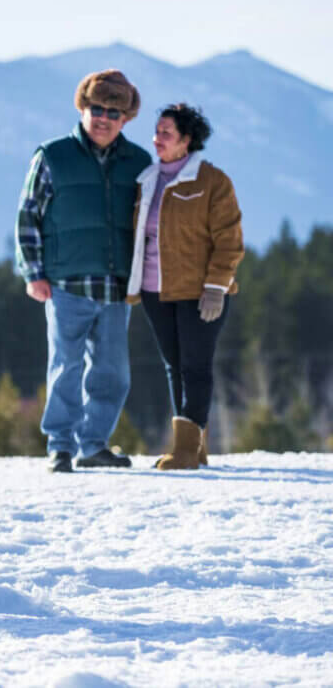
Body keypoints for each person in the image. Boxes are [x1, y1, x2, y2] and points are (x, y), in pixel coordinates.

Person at [15, 69, 152, 473]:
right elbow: (27, 216)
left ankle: (93, 445)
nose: (103, 118)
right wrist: (32, 272)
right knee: (65, 368)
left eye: (113, 111)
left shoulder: (139, 163)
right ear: (83, 108)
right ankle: (59, 446)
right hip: (65, 283)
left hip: (116, 287)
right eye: (96, 108)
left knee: (113, 373)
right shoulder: (52, 155)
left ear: (125, 118)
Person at [126, 104, 244, 470]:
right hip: (152, 290)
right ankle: (193, 448)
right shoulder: (146, 179)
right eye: (156, 131)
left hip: (198, 291)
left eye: (166, 133)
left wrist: (215, 286)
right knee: (173, 366)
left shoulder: (212, 181)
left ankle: (185, 451)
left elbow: (229, 238)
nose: (156, 138)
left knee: (195, 366)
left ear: (187, 140)